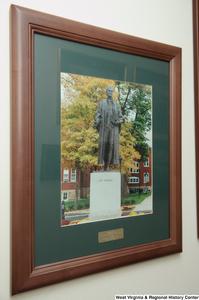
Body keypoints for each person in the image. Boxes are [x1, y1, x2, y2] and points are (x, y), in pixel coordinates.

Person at [93, 86, 123, 171]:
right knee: (104, 146)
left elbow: (121, 118)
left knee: (110, 146)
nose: (110, 92)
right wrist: (96, 122)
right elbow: (98, 116)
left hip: (113, 129)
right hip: (104, 128)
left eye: (111, 91)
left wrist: (118, 122)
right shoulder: (101, 103)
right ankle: (104, 165)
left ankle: (107, 166)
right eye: (108, 91)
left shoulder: (116, 105)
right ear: (106, 92)